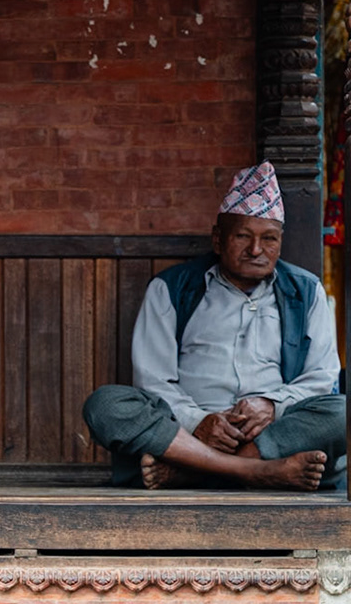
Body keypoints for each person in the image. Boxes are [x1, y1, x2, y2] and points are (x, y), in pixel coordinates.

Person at [81, 162, 341, 490]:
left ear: (280, 242)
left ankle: (195, 472)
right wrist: (199, 421)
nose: (256, 250)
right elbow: (153, 380)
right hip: (188, 433)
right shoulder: (171, 289)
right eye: (243, 236)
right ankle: (257, 472)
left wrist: (273, 406)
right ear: (218, 239)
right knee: (105, 405)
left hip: (270, 435)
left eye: (269, 239)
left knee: (342, 412)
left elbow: (322, 378)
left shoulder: (306, 291)